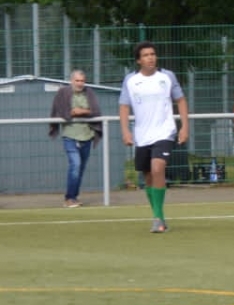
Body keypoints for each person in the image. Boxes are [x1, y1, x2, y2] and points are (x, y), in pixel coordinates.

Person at [119, 42, 188, 232]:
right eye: (146, 55)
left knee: (157, 167)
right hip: (142, 135)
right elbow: (124, 106)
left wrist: (184, 127)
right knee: (148, 177)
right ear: (138, 60)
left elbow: (181, 100)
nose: (150, 57)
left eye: (153, 54)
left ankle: (157, 218)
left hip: (165, 132)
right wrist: (125, 131)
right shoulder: (130, 80)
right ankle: (160, 216)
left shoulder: (167, 76)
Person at [49, 68, 103, 206]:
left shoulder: (89, 93)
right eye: (77, 80)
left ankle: (74, 196)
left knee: (81, 168)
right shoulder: (63, 93)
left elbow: (96, 111)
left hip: (87, 135)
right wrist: (76, 112)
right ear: (71, 80)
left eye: (82, 81)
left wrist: (80, 111)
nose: (80, 83)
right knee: (75, 165)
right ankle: (69, 198)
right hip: (70, 135)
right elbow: (62, 112)